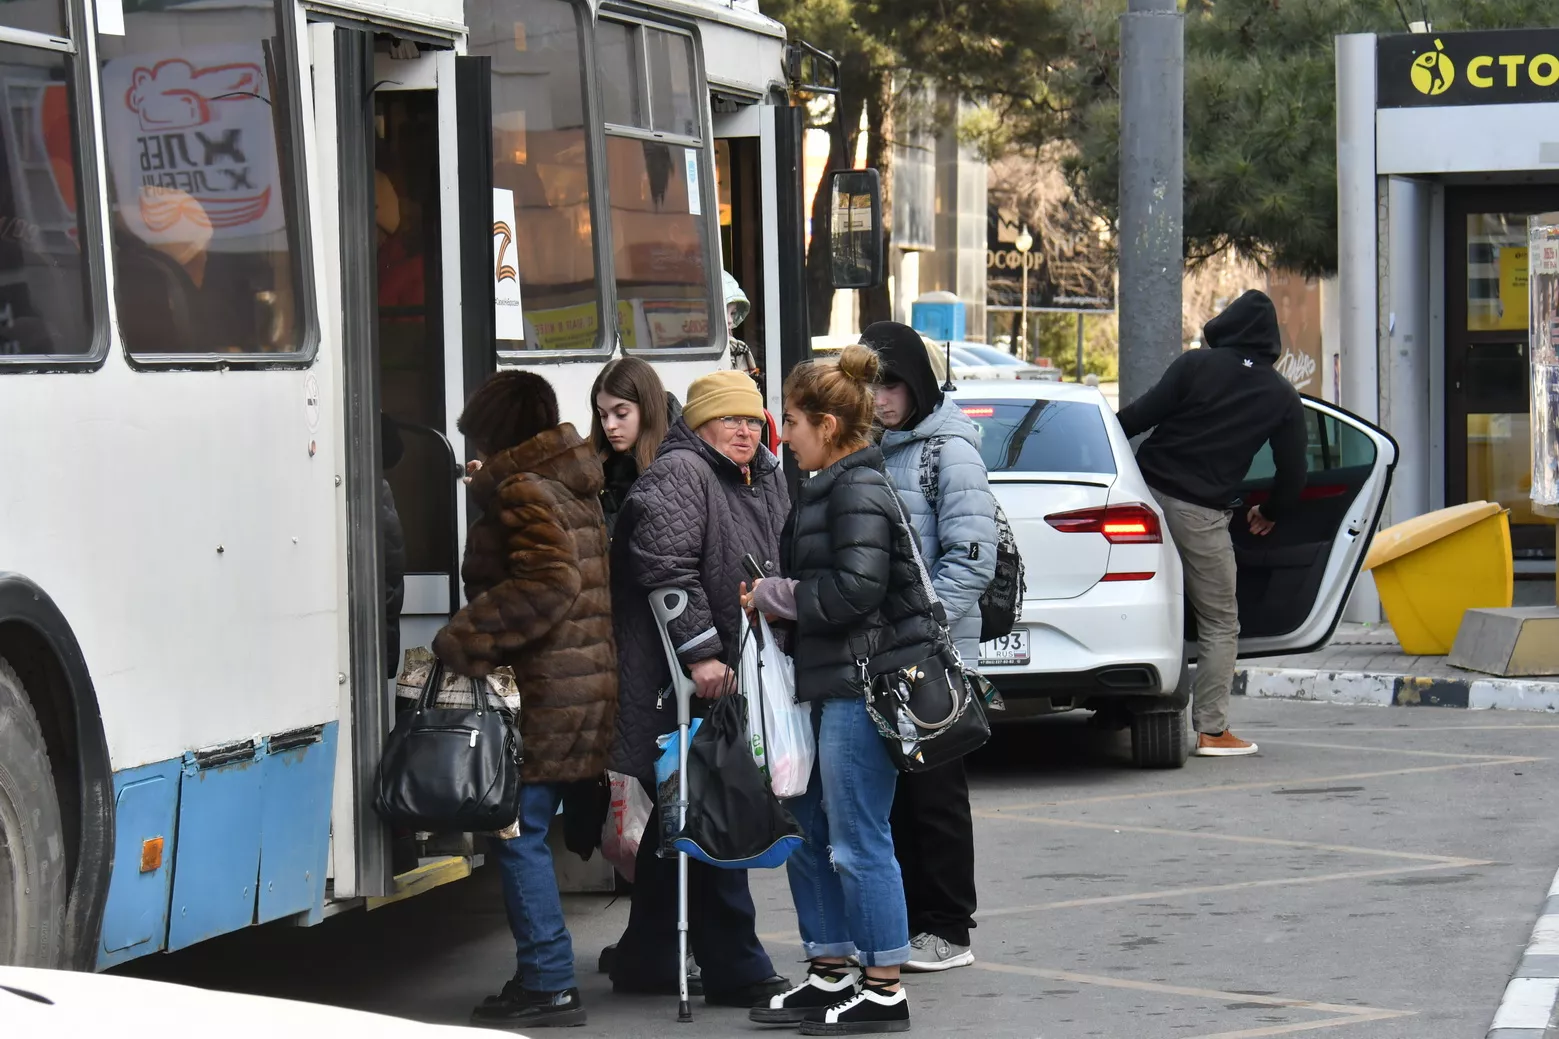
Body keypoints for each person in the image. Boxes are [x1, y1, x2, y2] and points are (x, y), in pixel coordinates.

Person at [743, 343, 943, 1035]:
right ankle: (830, 970)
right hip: (834, 680)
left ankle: (882, 986)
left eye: (791, 422)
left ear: (826, 425)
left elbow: (858, 589)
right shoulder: (831, 484)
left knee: (857, 837)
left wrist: (776, 593)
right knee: (812, 828)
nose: (783, 435)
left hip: (864, 685)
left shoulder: (856, 486)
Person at [432, 371, 618, 1028]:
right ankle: (539, 973)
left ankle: (548, 979)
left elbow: (548, 583)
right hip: (579, 686)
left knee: (518, 834)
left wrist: (464, 637)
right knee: (526, 831)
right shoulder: (568, 482)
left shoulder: (520, 490)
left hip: (541, 693)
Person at [605, 369, 791, 1007]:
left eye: (751, 419)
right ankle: (738, 965)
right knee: (716, 801)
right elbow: (665, 570)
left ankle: (648, 955)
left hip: (746, 669)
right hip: (687, 678)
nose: (744, 430)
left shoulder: (763, 473)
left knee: (684, 806)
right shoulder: (681, 473)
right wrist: (701, 654)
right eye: (729, 420)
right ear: (701, 424)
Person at [1115, 289, 1307, 758]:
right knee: (1220, 621)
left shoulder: (1195, 365)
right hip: (1199, 513)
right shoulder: (1279, 394)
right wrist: (1272, 512)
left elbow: (1135, 419)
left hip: (1142, 499)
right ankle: (1213, 730)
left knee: (1136, 598)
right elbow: (1295, 470)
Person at [865, 321, 996, 973]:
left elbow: (973, 559)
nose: (880, 397)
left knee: (935, 793)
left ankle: (948, 926)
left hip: (934, 652)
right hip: (887, 654)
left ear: (916, 383)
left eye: (890, 383)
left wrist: (921, 624)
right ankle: (916, 923)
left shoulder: (950, 450)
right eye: (869, 384)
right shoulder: (874, 446)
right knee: (898, 795)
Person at [590, 356, 680, 538]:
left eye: (621, 414)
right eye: (603, 415)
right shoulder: (592, 463)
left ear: (648, 409)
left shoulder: (680, 465)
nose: (610, 426)